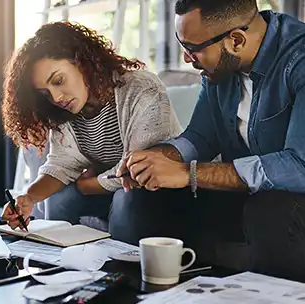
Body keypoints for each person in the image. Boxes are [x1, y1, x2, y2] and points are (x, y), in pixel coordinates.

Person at [118, 0, 305, 281]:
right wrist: (156, 159)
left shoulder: (298, 60)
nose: (186, 58)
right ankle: (138, 290)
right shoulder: (220, 68)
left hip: (288, 202)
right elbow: (201, 137)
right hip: (247, 198)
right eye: (181, 45)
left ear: (236, 40)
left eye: (192, 48)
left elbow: (298, 166)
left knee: (269, 210)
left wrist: (187, 173)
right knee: (142, 195)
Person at [0, 21, 183, 244]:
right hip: (111, 187)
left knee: (126, 198)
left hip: (153, 191)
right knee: (59, 198)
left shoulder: (142, 89)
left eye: (59, 81)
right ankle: (59, 264)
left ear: (82, 62)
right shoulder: (66, 111)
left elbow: (135, 170)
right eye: (46, 93)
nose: (56, 98)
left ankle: (121, 273)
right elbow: (61, 165)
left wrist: (88, 185)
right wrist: (28, 197)